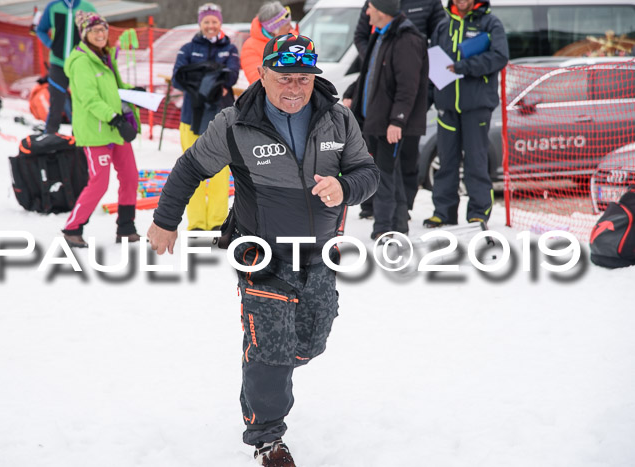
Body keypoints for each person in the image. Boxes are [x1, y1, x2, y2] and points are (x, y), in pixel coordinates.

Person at [147, 34, 379, 467]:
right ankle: (268, 439)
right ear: (262, 74)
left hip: (320, 253)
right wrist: (165, 220)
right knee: (272, 349)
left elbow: (368, 173)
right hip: (261, 253)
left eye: (304, 79)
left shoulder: (337, 120)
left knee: (309, 343)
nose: (294, 88)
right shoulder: (234, 123)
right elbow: (189, 168)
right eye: (284, 78)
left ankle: (263, 356)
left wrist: (345, 186)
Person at [346, 0, 444, 220]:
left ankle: (393, 221)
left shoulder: (408, 36)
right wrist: (353, 91)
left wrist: (398, 119)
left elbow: (408, 83)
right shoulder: (379, 34)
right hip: (378, 111)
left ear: (383, 11)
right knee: (382, 169)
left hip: (400, 109)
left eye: (371, 9)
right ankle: (387, 219)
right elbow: (365, 60)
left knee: (398, 167)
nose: (367, 11)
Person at [61, 11, 143, 247]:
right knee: (100, 182)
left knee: (130, 177)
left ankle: (126, 228)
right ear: (85, 34)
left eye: (103, 29)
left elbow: (115, 88)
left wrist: (133, 90)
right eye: (95, 30)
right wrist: (116, 119)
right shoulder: (81, 61)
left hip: (116, 128)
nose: (101, 34)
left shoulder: (105, 56)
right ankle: (72, 227)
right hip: (96, 131)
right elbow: (89, 98)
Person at [424, 0, 508, 227]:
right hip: (447, 107)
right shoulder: (443, 25)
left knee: (476, 162)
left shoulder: (490, 23)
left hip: (476, 107)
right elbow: (434, 66)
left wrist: (464, 66)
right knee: (446, 162)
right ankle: (443, 212)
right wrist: (427, 100)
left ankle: (478, 214)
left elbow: (500, 57)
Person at [172, 3, 240, 231]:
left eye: (214, 22)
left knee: (220, 173)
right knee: (192, 171)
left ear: (220, 23)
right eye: (207, 22)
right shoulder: (188, 48)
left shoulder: (229, 48)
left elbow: (231, 76)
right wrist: (211, 77)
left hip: (221, 119)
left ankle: (217, 223)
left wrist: (201, 74)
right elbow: (177, 78)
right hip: (192, 117)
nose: (211, 26)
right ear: (200, 24)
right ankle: (197, 224)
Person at [36, 0, 97, 134]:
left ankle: (78, 141)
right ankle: (50, 138)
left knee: (81, 104)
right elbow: (40, 30)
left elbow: (96, 33)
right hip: (58, 64)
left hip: (80, 65)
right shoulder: (53, 7)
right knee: (56, 104)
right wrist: (52, 45)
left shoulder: (87, 8)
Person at [241, 2, 294, 84]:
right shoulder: (251, 47)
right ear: (274, 30)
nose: (291, 27)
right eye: (287, 25)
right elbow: (258, 80)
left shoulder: (294, 37)